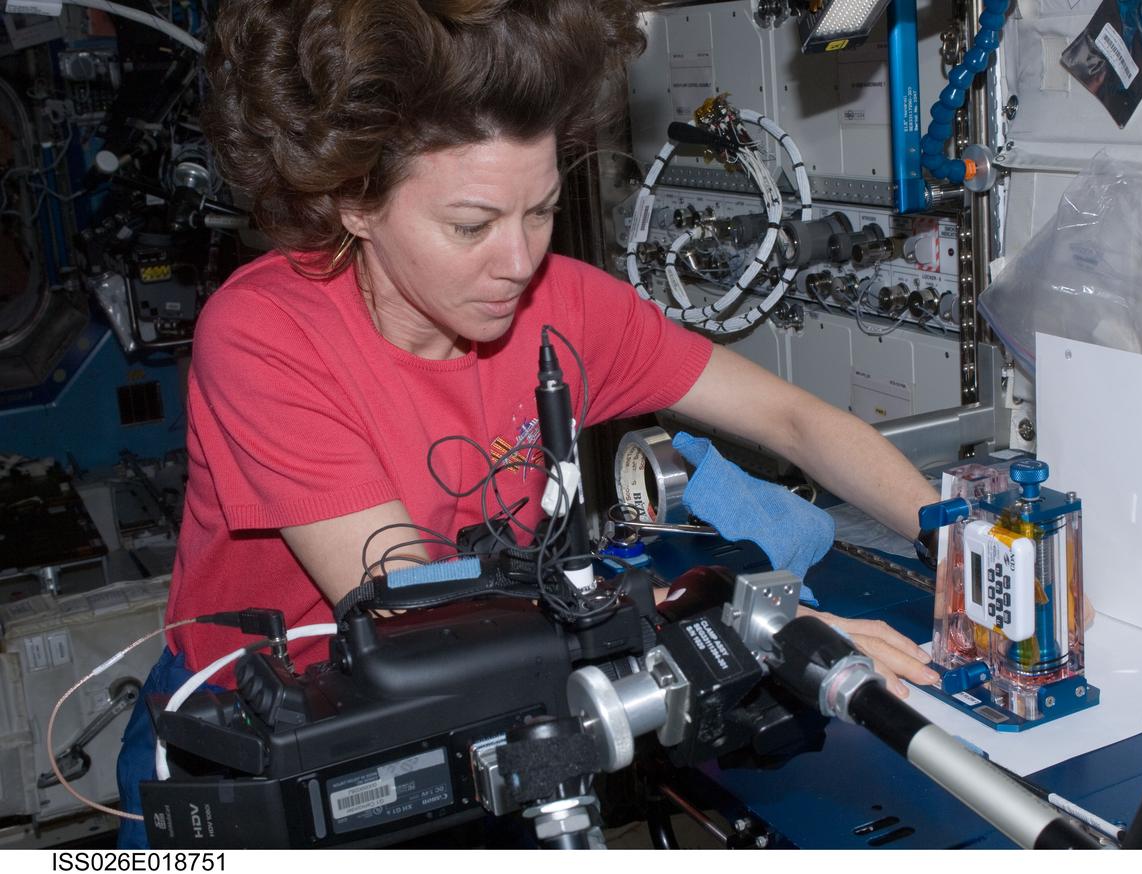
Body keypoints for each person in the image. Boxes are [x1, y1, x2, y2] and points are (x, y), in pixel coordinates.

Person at [116, 0, 940, 847]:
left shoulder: (561, 306)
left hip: (488, 717)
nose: (518, 263)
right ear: (353, 204)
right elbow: (411, 606)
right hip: (256, 746)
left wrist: (955, 543)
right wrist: (749, 625)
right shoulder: (264, 336)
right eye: (471, 225)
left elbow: (794, 419)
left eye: (541, 211)